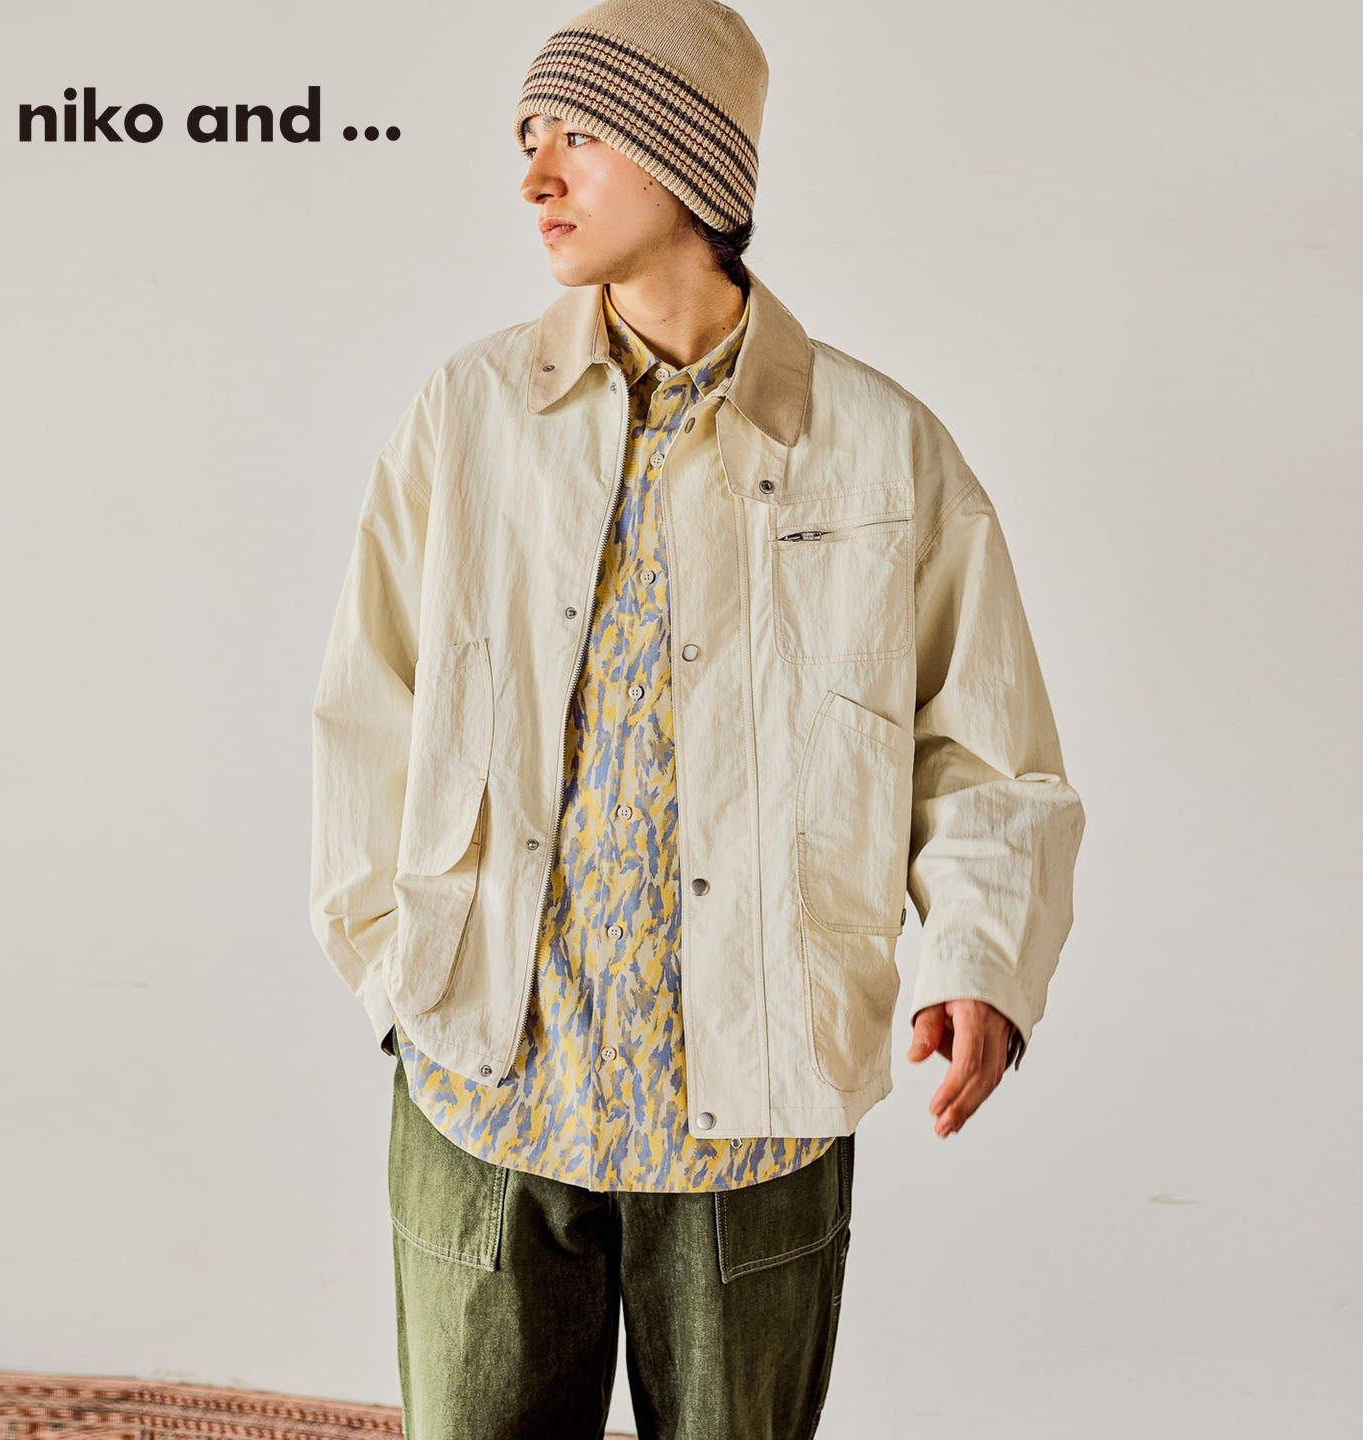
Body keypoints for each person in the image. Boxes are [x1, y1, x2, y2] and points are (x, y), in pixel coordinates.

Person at [309, 1, 1086, 1434]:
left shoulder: (879, 447)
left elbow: (986, 754)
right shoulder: (467, 418)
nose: (535, 176)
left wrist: (982, 959)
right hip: (487, 1089)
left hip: (758, 1112)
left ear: (691, 162)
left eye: (580, 135)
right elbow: (370, 707)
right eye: (528, 136)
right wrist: (396, 985)